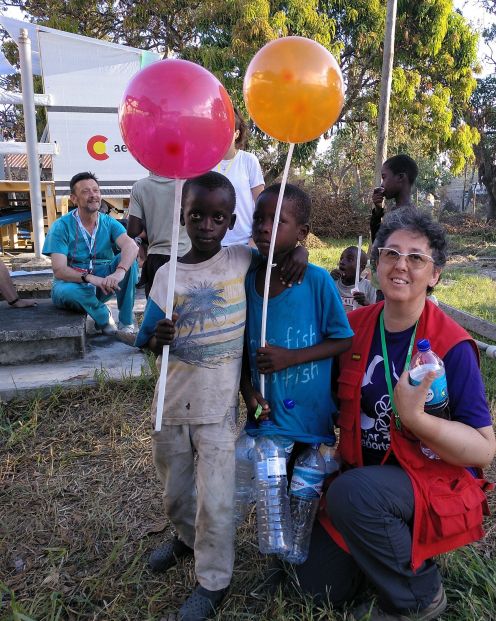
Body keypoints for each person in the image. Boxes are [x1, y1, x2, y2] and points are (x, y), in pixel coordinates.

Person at [295, 208, 496, 621]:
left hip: (429, 480)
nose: (401, 265)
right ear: (377, 264)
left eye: (416, 258)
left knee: (353, 495)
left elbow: (482, 451)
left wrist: (417, 419)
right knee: (315, 587)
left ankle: (420, 595)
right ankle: (380, 551)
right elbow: (319, 401)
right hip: (362, 478)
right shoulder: (351, 329)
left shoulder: (452, 345)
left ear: (434, 274)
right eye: (390, 254)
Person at [134, 172, 308, 621]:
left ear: (231, 220)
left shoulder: (241, 261)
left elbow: (279, 251)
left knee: (217, 499)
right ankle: (185, 538)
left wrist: (302, 251)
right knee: (176, 492)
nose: (206, 225)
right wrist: (158, 335)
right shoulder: (167, 273)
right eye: (197, 216)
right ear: (182, 217)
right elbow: (144, 339)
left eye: (216, 217)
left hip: (217, 411)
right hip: (170, 408)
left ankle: (213, 581)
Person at [241, 183, 353, 446]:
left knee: (306, 486)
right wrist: (248, 392)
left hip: (310, 424)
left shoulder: (318, 281)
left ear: (302, 232)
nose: (264, 227)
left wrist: (291, 357)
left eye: (278, 221)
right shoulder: (247, 277)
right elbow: (242, 349)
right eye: (258, 218)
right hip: (265, 422)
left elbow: (344, 340)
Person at [42, 172, 138, 334]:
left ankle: (127, 323)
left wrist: (119, 273)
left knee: (129, 261)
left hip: (104, 283)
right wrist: (89, 278)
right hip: (72, 284)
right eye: (86, 191)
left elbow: (131, 246)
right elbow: (59, 270)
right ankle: (103, 316)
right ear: (74, 198)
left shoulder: (109, 222)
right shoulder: (61, 226)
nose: (93, 195)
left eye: (96, 190)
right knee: (67, 290)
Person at [127, 172, 192, 298]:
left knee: (156, 310)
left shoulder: (140, 186)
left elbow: (133, 230)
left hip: (155, 258)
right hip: (186, 257)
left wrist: (151, 232)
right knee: (185, 311)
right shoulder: (189, 183)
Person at [211, 106, 265, 246]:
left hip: (243, 245)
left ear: (236, 133)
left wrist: (254, 239)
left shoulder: (248, 161)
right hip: (210, 245)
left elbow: (262, 204)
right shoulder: (205, 161)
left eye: (227, 129)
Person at [370, 154, 418, 243]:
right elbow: (379, 245)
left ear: (400, 177)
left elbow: (381, 249)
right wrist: (378, 211)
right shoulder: (396, 212)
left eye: (384, 177)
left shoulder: (407, 218)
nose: (382, 184)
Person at [330, 245, 377, 312]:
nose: (342, 262)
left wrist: (367, 304)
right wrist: (328, 280)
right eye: (341, 258)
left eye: (349, 259)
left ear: (361, 267)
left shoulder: (369, 286)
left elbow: (375, 313)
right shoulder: (333, 282)